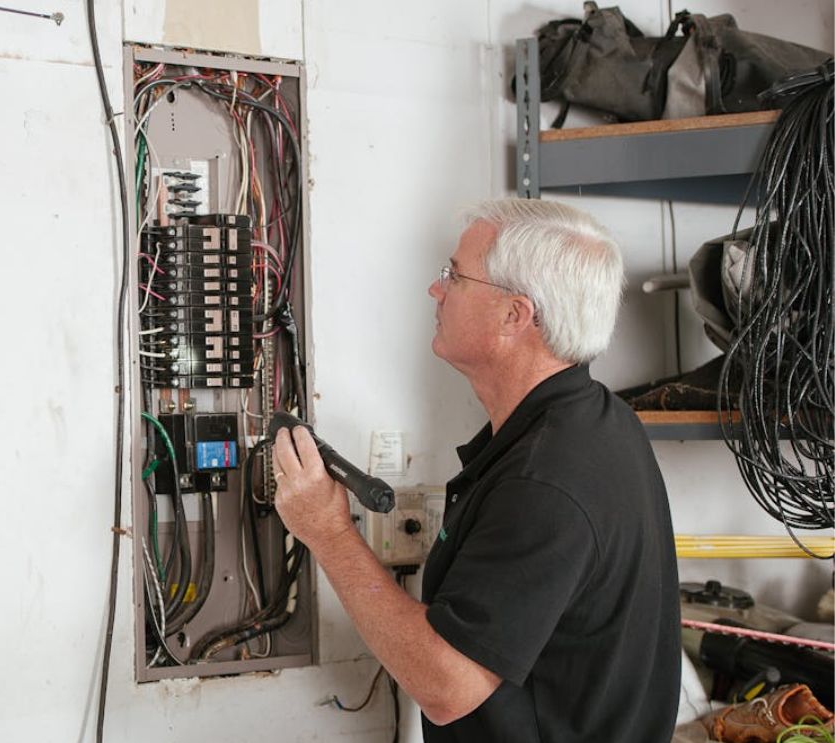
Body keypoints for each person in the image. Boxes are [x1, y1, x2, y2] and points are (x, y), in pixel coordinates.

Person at [271, 198, 680, 742]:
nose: (435, 290)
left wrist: (328, 532)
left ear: (515, 315)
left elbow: (447, 686)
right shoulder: (599, 419)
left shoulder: (545, 482)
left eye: (455, 276)